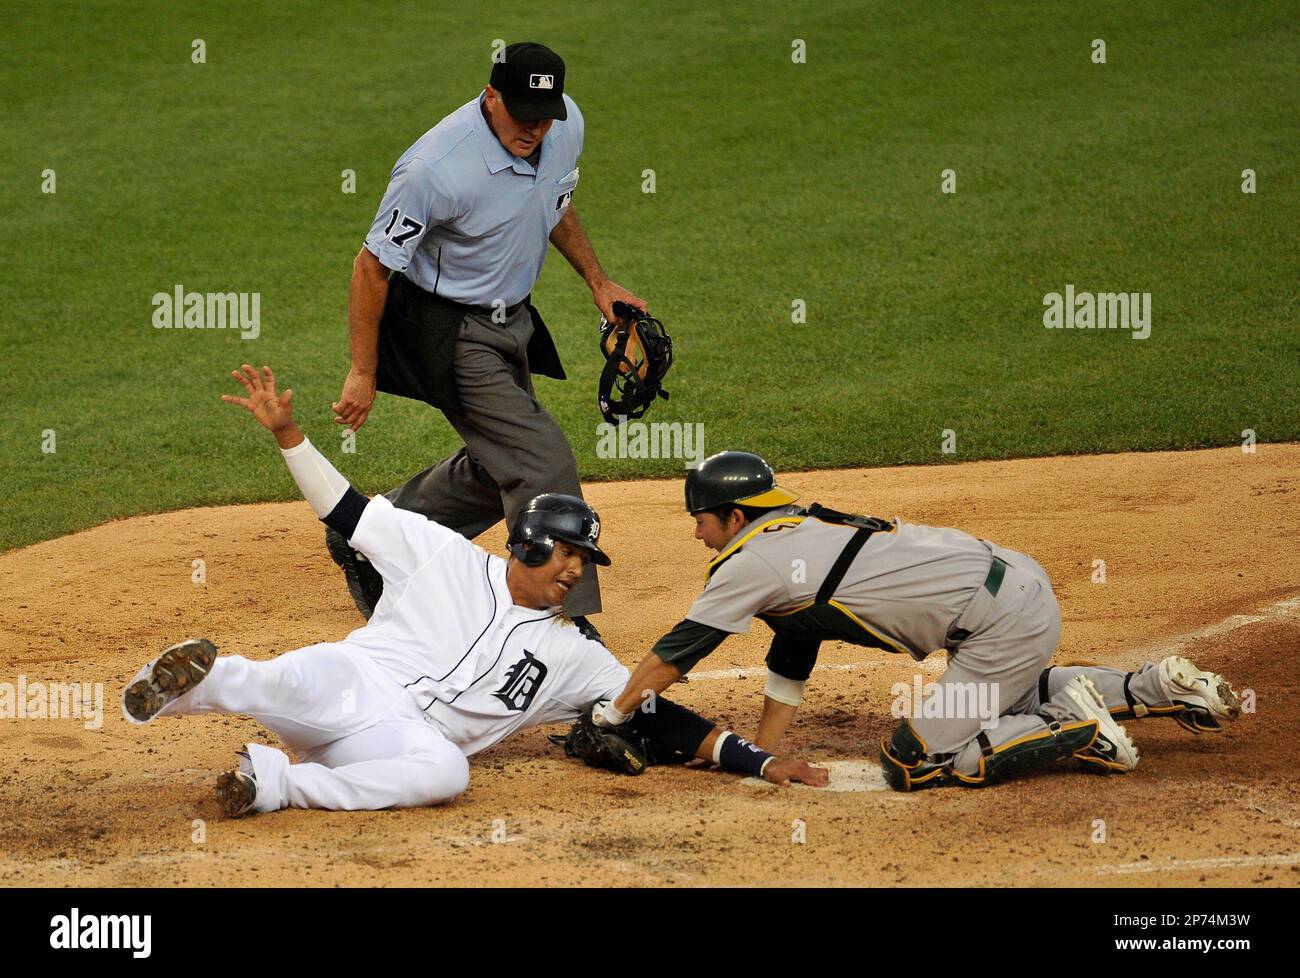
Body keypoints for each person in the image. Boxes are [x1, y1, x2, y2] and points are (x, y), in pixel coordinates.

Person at [119, 368, 825, 817]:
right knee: (281, 679)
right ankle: (187, 684)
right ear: (528, 544)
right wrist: (290, 434)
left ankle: (275, 784)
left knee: (446, 773)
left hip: (399, 741)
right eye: (569, 555)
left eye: (586, 560)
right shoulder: (442, 557)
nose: (578, 572)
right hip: (352, 682)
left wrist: (756, 760)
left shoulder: (576, 655)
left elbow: (656, 714)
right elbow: (347, 512)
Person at [594, 450, 1243, 790]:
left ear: (733, 516)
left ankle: (1071, 726)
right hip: (1019, 587)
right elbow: (794, 648)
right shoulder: (802, 528)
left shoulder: (748, 562)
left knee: (912, 761)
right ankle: (1153, 688)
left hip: (997, 627)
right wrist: (767, 748)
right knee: (995, 685)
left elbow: (677, 653)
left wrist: (616, 712)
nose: (697, 532)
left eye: (700, 519)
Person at [328, 41, 643, 643]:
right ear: (491, 96)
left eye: (544, 116)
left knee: (500, 463)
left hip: (513, 318)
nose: (535, 130)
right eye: (522, 115)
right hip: (445, 330)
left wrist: (598, 282)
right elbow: (372, 265)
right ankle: (559, 627)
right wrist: (362, 370)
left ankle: (368, 531)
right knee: (543, 460)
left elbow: (553, 202)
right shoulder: (434, 168)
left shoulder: (563, 125)